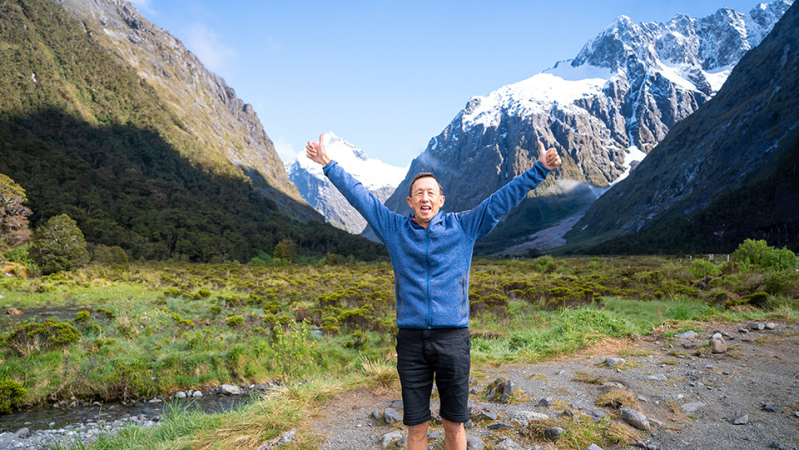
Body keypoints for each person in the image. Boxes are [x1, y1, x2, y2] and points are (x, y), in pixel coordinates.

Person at [305, 133, 561, 450]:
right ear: (410, 202)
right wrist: (327, 164)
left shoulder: (465, 226)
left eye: (431, 193)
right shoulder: (393, 228)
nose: (425, 198)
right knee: (416, 428)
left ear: (441, 200)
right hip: (411, 342)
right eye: (418, 194)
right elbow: (361, 197)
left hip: (453, 338)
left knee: (454, 424)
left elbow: (501, 200)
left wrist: (540, 169)